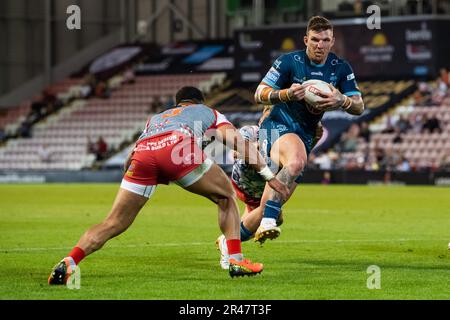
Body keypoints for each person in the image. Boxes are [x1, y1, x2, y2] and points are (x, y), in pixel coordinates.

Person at [48, 86, 289, 285]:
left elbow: (128, 159)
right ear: (198, 102)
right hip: (176, 148)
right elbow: (238, 143)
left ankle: (69, 261)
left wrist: (137, 174)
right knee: (226, 196)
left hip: (143, 155)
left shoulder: (156, 118)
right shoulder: (208, 112)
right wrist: (269, 176)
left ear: (177, 104)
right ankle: (236, 259)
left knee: (114, 222)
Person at [251, 16, 364, 244]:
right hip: (277, 125)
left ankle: (229, 241)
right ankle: (268, 222)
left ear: (332, 42)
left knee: (268, 205)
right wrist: (286, 94)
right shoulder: (288, 62)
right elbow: (258, 94)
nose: (319, 45)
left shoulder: (340, 68)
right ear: (306, 40)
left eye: (325, 40)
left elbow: (359, 106)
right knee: (296, 163)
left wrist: (341, 100)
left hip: (306, 134)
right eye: (315, 39)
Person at [216, 108, 323, 269]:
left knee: (274, 217)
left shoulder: (290, 134)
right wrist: (260, 146)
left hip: (270, 181)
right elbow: (236, 154)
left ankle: (231, 238)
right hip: (248, 181)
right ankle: (228, 241)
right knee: (264, 211)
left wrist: (314, 138)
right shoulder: (251, 131)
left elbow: (300, 154)